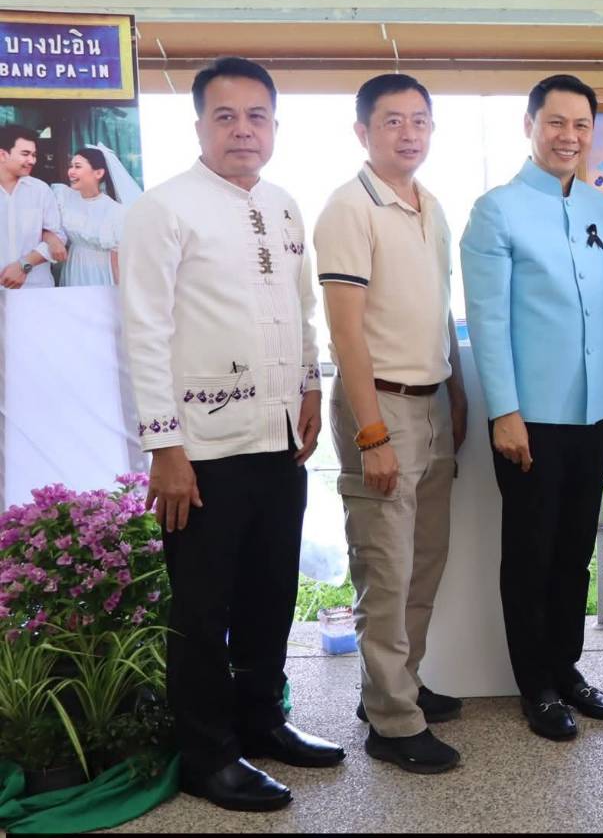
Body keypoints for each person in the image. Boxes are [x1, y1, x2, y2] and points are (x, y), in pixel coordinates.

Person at [120, 57, 346, 812]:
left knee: (269, 594)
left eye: (257, 116)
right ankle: (206, 754)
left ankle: (261, 720)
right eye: (226, 116)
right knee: (202, 607)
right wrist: (165, 446)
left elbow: (300, 305)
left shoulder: (283, 204)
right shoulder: (164, 207)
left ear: (275, 127)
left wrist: (311, 383)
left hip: (278, 438)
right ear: (199, 126)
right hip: (203, 451)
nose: (243, 129)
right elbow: (143, 330)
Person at [460, 73, 603, 742]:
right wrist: (503, 411)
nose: (569, 136)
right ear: (530, 125)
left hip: (594, 409)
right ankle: (533, 684)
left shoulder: (600, 208)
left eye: (581, 125)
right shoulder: (497, 210)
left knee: (573, 550)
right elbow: (488, 319)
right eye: (556, 122)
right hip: (529, 417)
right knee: (531, 551)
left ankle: (566, 669)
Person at [314, 73, 468, 774]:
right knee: (386, 564)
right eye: (392, 122)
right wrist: (371, 432)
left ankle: (396, 684)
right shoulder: (350, 207)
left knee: (424, 560)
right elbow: (345, 333)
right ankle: (391, 722)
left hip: (432, 400)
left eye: (420, 121)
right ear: (362, 132)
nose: (409, 134)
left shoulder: (429, 205)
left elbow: (436, 315)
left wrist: (456, 396)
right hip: (380, 404)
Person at [51, 147, 135, 286]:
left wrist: (121, 291)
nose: (71, 171)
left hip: (100, 272)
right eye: (70, 166)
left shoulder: (115, 211)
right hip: (74, 267)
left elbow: (117, 257)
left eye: (77, 167)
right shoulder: (63, 197)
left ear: (99, 173)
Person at [0, 125, 64, 289]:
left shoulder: (41, 190)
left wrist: (24, 265)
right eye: (25, 154)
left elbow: (58, 237)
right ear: (3, 154)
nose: (32, 160)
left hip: (36, 287)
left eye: (34, 155)